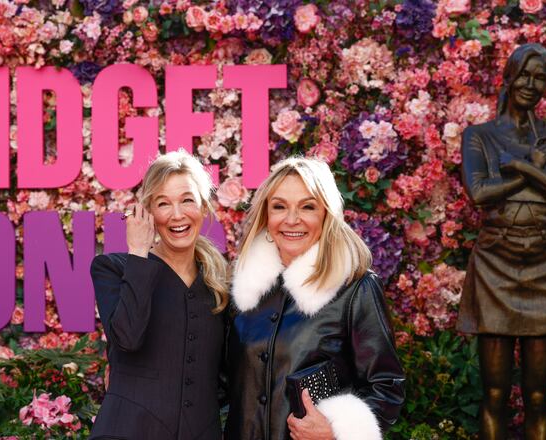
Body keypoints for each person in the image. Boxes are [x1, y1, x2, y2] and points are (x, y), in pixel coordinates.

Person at [225, 157, 405, 440]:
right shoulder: (244, 293)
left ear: (326, 214)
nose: (292, 219)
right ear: (266, 215)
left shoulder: (355, 288)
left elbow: (386, 386)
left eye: (307, 206)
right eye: (280, 206)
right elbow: (224, 386)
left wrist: (337, 430)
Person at [457, 43, 546, 440]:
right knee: (494, 392)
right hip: (496, 265)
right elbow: (479, 193)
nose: (531, 84)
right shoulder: (479, 136)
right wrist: (532, 173)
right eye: (524, 74)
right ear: (509, 77)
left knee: (537, 396)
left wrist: (521, 167)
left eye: (540, 77)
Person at [89, 150, 229, 440]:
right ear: (149, 213)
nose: (177, 215)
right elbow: (127, 339)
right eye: (163, 203)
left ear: (204, 207)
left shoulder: (221, 284)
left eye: (187, 200)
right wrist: (138, 253)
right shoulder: (113, 268)